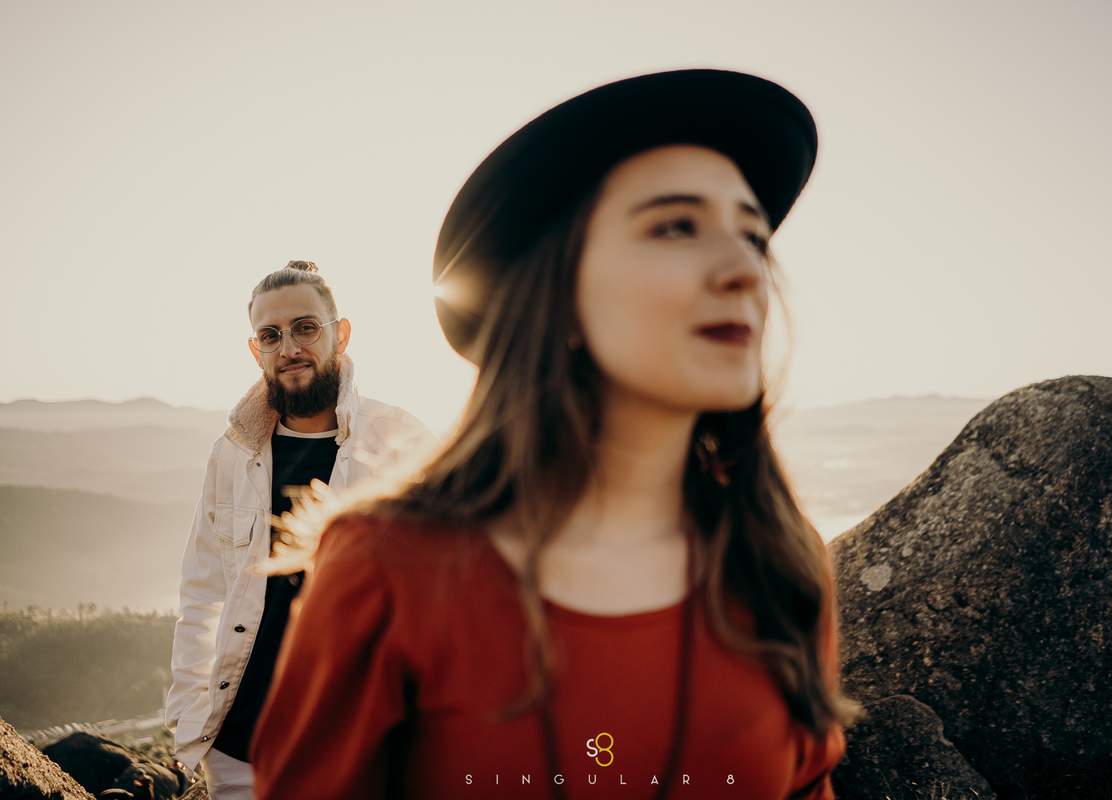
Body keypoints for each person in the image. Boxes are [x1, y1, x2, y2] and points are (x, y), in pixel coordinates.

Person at [253, 70, 858, 799]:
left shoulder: (782, 565)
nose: (742, 270)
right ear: (556, 292)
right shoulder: (387, 574)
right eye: (676, 226)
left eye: (753, 236)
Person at [165, 261, 435, 800]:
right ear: (256, 350)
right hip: (239, 749)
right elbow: (203, 590)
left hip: (356, 747)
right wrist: (188, 713)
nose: (289, 347)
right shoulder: (233, 455)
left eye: (305, 327)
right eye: (271, 335)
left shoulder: (403, 444)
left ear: (341, 333)